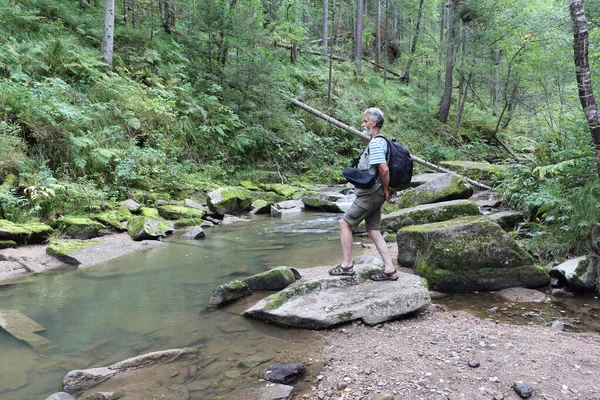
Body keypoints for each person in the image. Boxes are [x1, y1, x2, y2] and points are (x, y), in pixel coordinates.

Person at [328, 107, 398, 281]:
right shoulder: (384, 142)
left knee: (345, 223)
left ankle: (347, 266)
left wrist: (386, 189)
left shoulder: (375, 143)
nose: (363, 124)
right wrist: (386, 191)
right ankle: (390, 269)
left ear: (373, 124)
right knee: (373, 229)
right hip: (378, 193)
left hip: (371, 193)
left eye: (365, 121)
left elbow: (383, 169)